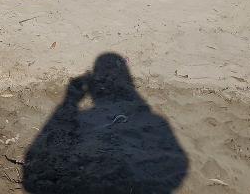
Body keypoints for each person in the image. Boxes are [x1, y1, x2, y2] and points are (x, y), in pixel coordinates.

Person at [23, 53, 188, 193]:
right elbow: (180, 166)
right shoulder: (155, 121)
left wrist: (70, 101)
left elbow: (31, 175)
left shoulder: (84, 120)